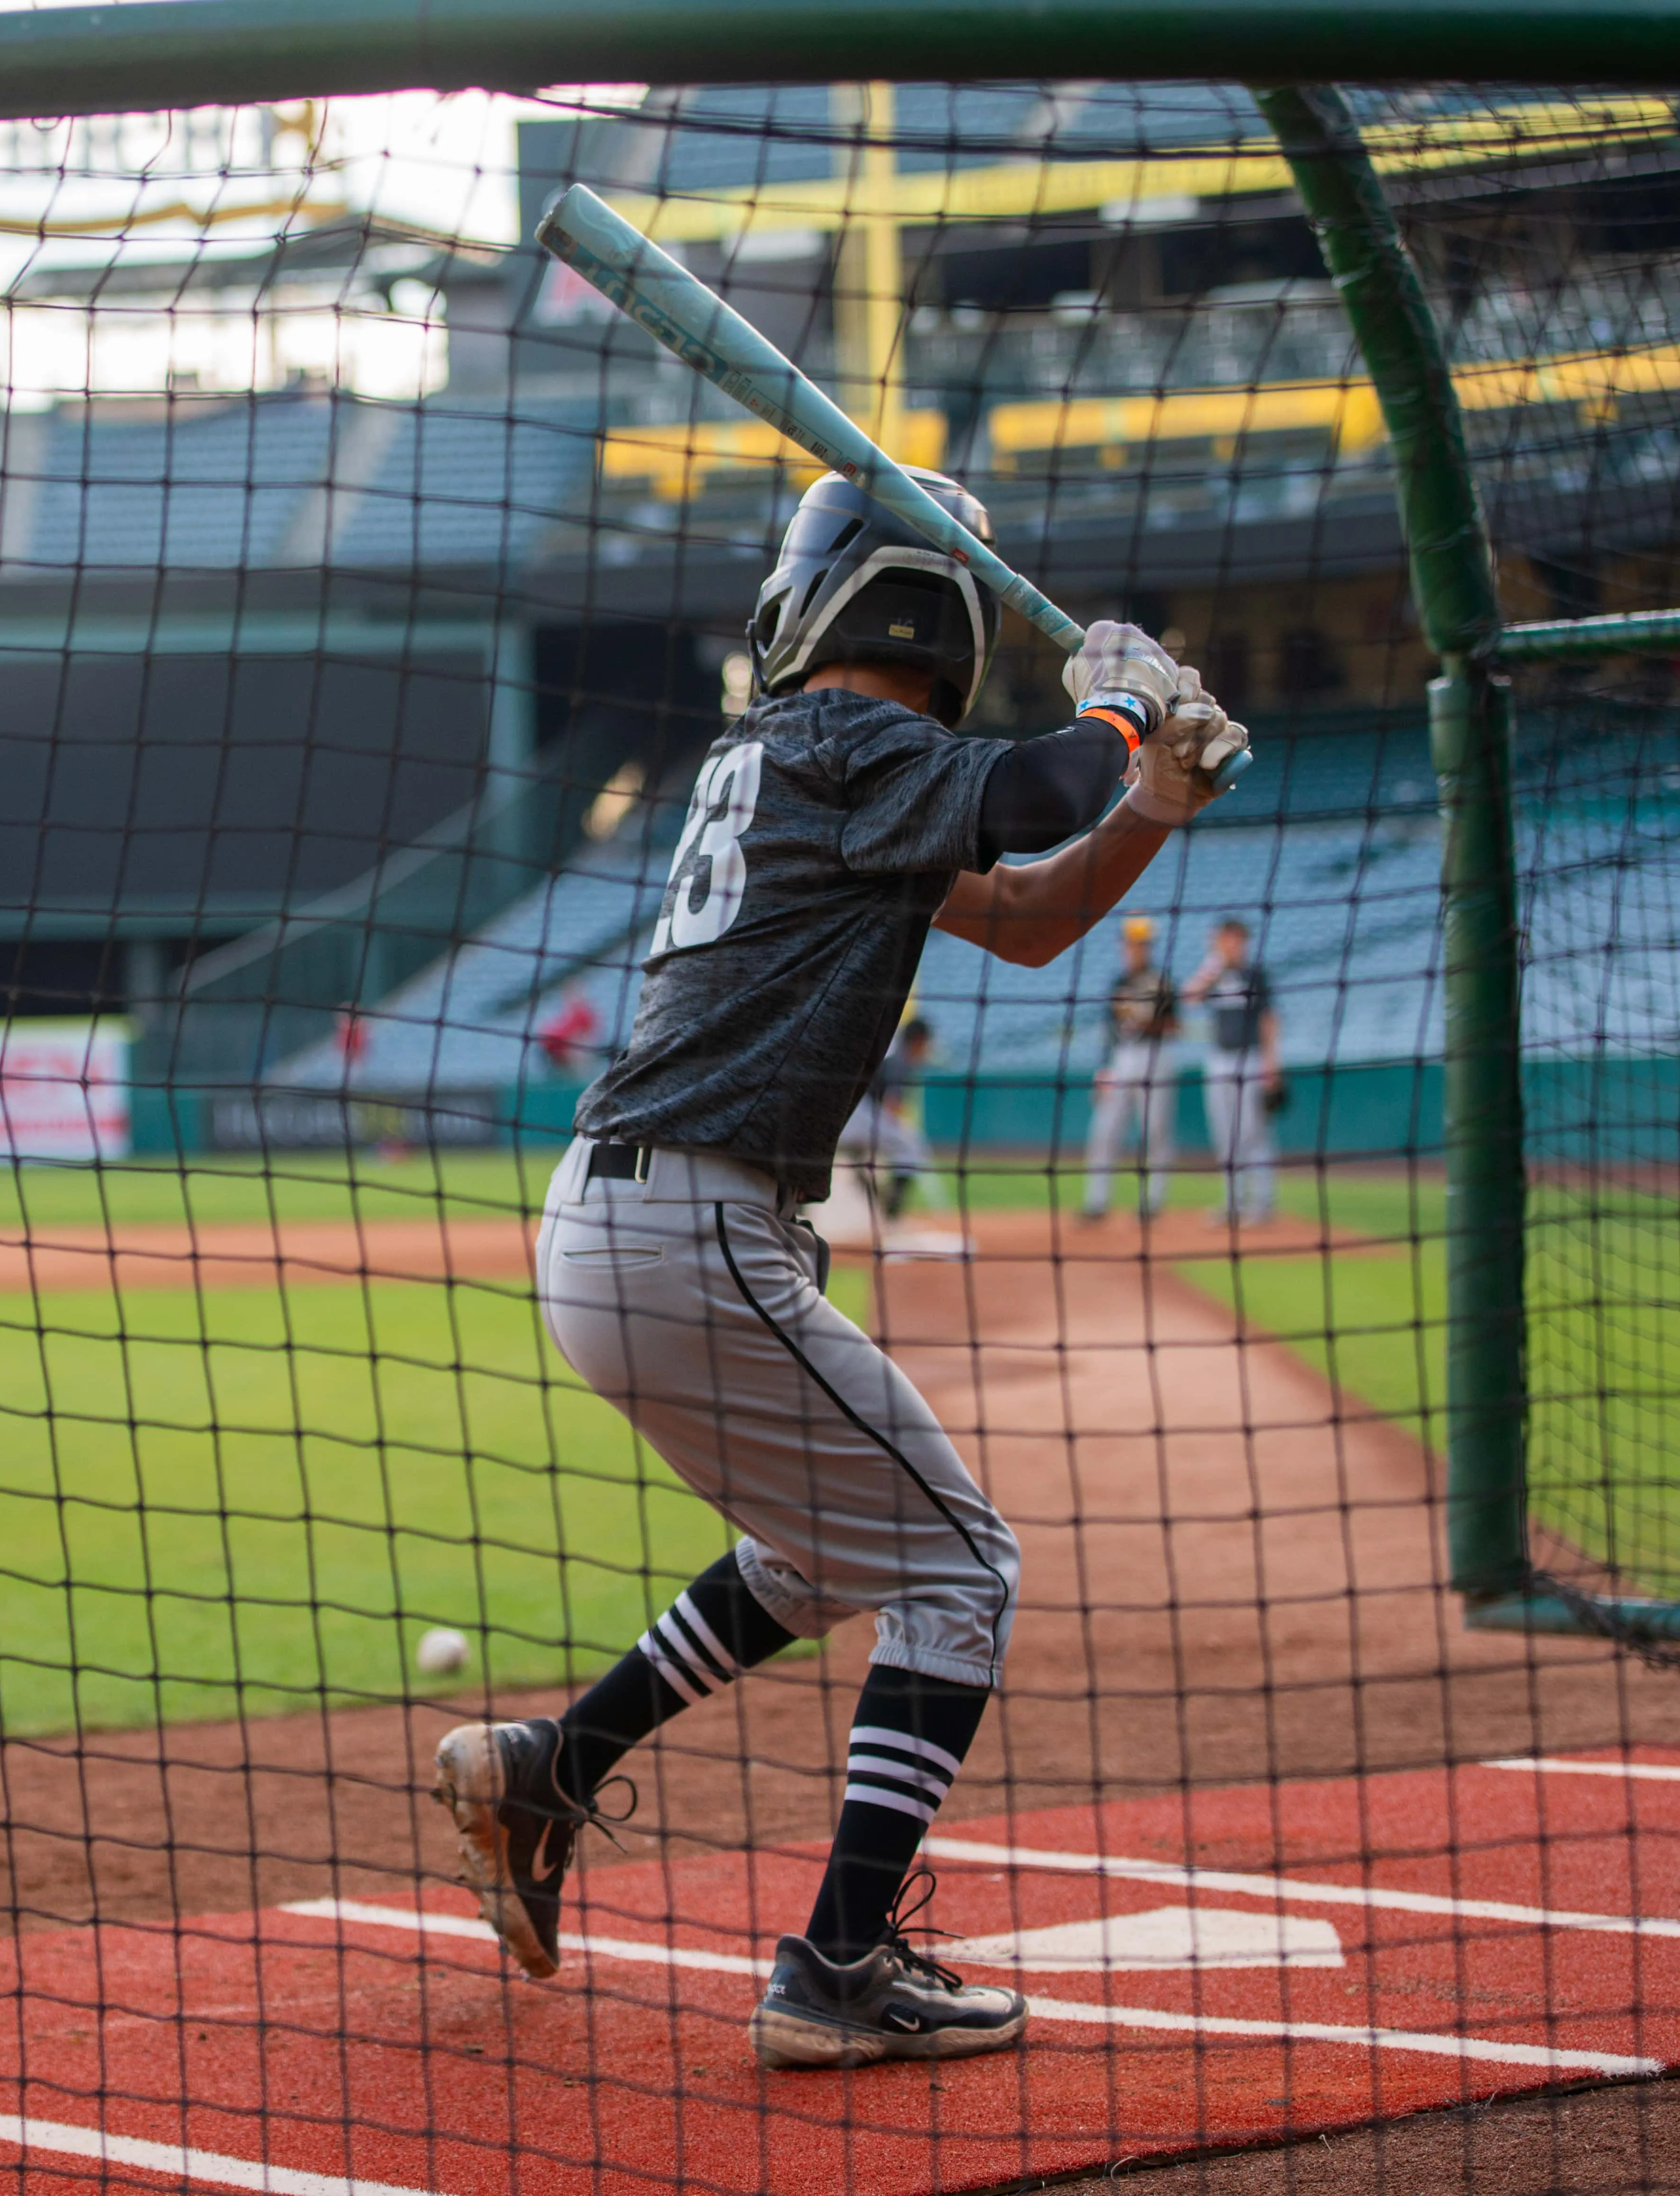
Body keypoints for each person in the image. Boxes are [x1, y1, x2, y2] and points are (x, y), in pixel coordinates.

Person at [431, 467, 1241, 2073]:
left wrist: (1152, 800)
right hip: (692, 1229)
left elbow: (1026, 914)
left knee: (821, 1553)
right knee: (963, 1568)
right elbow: (1033, 797)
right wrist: (1124, 711)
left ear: (808, 601)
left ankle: (550, 1766)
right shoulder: (855, 742)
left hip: (635, 1228)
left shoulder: (811, 760)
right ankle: (837, 1965)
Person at [1079, 913, 1178, 1221]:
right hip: (1121, 1058)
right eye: (1130, 944)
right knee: (1104, 1131)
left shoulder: (1162, 982)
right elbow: (1110, 1030)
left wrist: (1143, 1019)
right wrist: (1104, 1068)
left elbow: (1175, 1026)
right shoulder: (1118, 982)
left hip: (1154, 1057)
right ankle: (1097, 1202)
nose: (1134, 949)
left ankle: (1153, 1201)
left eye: (1140, 944)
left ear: (1148, 946)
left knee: (1155, 1131)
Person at [1185, 917, 1281, 1225]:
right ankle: (1233, 1203)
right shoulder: (1215, 974)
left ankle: (1262, 1202)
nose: (1230, 945)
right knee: (1224, 1133)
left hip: (1250, 1058)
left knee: (1253, 1131)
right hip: (1219, 1058)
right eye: (1224, 939)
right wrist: (1213, 965)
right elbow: (1190, 997)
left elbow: (1269, 1019)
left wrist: (1271, 1063)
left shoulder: (1255, 975)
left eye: (1235, 939)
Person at [835, 1015, 939, 1217]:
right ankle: (892, 1208)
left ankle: (865, 1177)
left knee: (849, 1154)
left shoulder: (891, 1053)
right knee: (911, 1145)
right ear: (919, 1040)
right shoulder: (901, 1060)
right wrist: (900, 1126)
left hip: (844, 1118)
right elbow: (892, 1103)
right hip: (862, 1116)